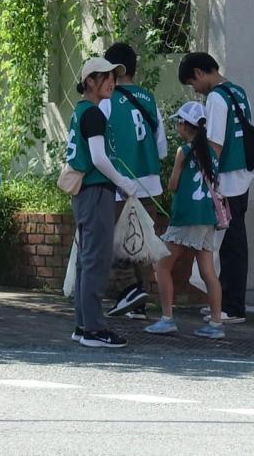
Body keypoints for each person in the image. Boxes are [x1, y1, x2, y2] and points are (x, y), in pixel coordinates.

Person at [66, 57, 139, 348]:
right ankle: (94, 330)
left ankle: (83, 325)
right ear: (89, 81)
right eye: (105, 77)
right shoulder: (93, 114)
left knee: (87, 261)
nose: (112, 82)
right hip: (96, 192)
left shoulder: (81, 111)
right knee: (96, 261)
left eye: (113, 77)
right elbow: (98, 158)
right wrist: (124, 182)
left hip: (85, 193)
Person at [178, 52, 252, 324]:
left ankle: (232, 307)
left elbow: (215, 144)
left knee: (230, 245)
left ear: (199, 73)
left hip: (226, 180)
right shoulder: (239, 92)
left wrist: (207, 179)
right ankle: (225, 304)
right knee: (233, 242)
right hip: (242, 174)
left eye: (192, 83)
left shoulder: (217, 98)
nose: (195, 90)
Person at [144, 102, 224, 338]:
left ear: (184, 125)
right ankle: (216, 323)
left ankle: (167, 318)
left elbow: (172, 185)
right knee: (208, 272)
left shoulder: (184, 151)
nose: (177, 126)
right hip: (206, 216)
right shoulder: (213, 152)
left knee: (162, 265)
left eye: (178, 122)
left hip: (186, 216)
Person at [100, 42, 168, 319]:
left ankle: (129, 292)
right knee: (142, 244)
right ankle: (138, 303)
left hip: (121, 181)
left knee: (115, 240)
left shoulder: (107, 100)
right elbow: (161, 147)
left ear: (114, 70)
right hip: (150, 181)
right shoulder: (148, 98)